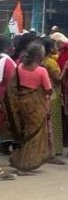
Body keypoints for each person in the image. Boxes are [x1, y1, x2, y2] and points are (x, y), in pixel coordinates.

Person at [4, 42, 52, 174]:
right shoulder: (41, 71)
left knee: (25, 133)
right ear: (40, 55)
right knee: (34, 135)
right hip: (37, 106)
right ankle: (26, 164)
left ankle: (19, 159)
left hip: (21, 104)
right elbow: (48, 90)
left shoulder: (19, 67)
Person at [42, 37, 65, 159]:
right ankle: (54, 149)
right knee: (54, 122)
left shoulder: (42, 60)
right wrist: (66, 68)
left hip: (43, 94)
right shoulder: (51, 62)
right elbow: (58, 79)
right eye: (55, 45)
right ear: (51, 48)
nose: (57, 48)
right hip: (53, 93)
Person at [0, 36, 17, 155]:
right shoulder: (7, 61)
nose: (13, 47)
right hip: (5, 96)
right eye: (11, 44)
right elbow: (12, 79)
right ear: (6, 47)